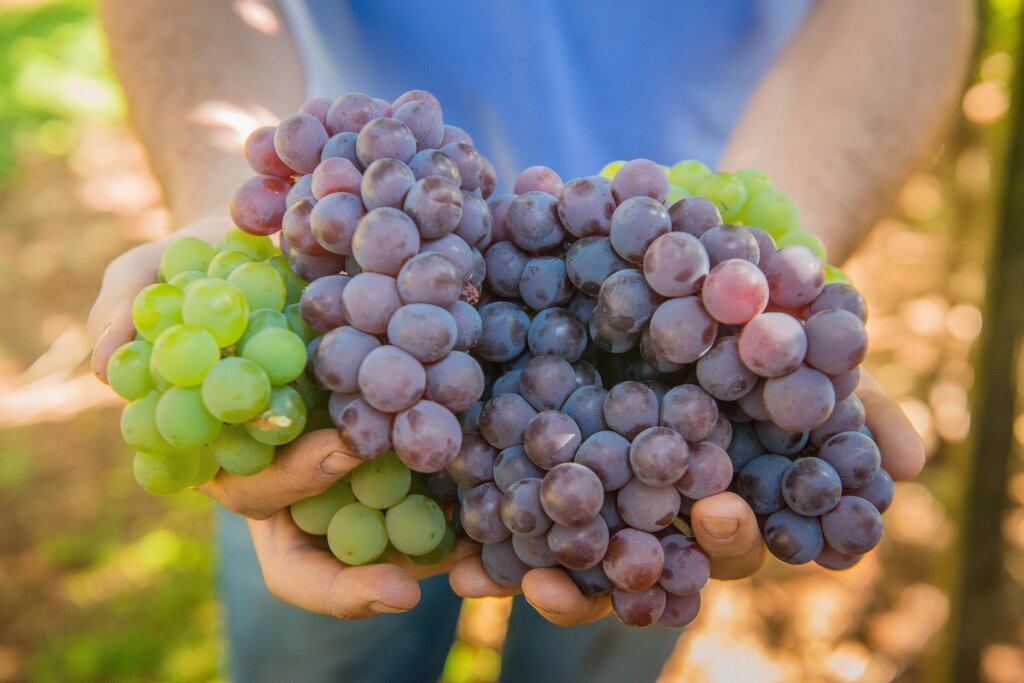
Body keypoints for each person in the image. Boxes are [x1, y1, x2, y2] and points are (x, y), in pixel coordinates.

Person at [88, 1, 970, 680]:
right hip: (336, 313)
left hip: (679, 321)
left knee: (619, 573)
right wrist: (224, 208)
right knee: (324, 624)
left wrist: (765, 284)